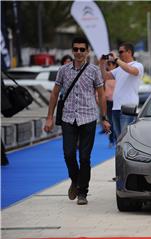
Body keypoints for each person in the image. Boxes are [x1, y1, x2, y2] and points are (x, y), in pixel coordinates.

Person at [44, 37, 110, 205]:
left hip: (88, 117)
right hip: (68, 118)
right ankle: (75, 179)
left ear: (87, 51)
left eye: (82, 49)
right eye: (76, 49)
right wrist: (50, 117)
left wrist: (104, 118)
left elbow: (101, 94)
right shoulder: (63, 70)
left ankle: (83, 192)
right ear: (72, 50)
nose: (79, 52)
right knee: (69, 154)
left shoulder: (94, 71)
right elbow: (54, 93)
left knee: (85, 157)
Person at [99, 43, 144, 140]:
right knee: (119, 140)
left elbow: (131, 70)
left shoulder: (138, 65)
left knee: (126, 139)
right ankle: (120, 155)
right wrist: (102, 64)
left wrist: (116, 60)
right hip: (116, 108)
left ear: (129, 52)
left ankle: (127, 155)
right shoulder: (119, 68)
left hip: (128, 108)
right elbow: (105, 76)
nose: (119, 54)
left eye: (121, 52)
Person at [104, 57, 118, 146]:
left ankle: (116, 138)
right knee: (109, 122)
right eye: (107, 64)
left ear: (114, 65)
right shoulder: (106, 76)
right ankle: (110, 139)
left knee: (115, 122)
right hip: (108, 102)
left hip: (117, 102)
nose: (108, 66)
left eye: (110, 64)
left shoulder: (118, 75)